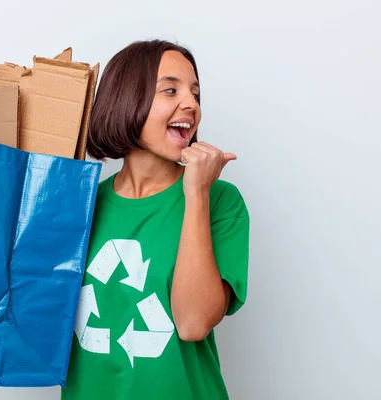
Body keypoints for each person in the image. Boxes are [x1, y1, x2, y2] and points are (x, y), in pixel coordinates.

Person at [61, 39, 250, 400]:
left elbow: (193, 323)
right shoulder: (80, 204)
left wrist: (196, 193)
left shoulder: (220, 202)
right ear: (127, 100)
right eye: (170, 90)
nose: (191, 104)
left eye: (196, 93)